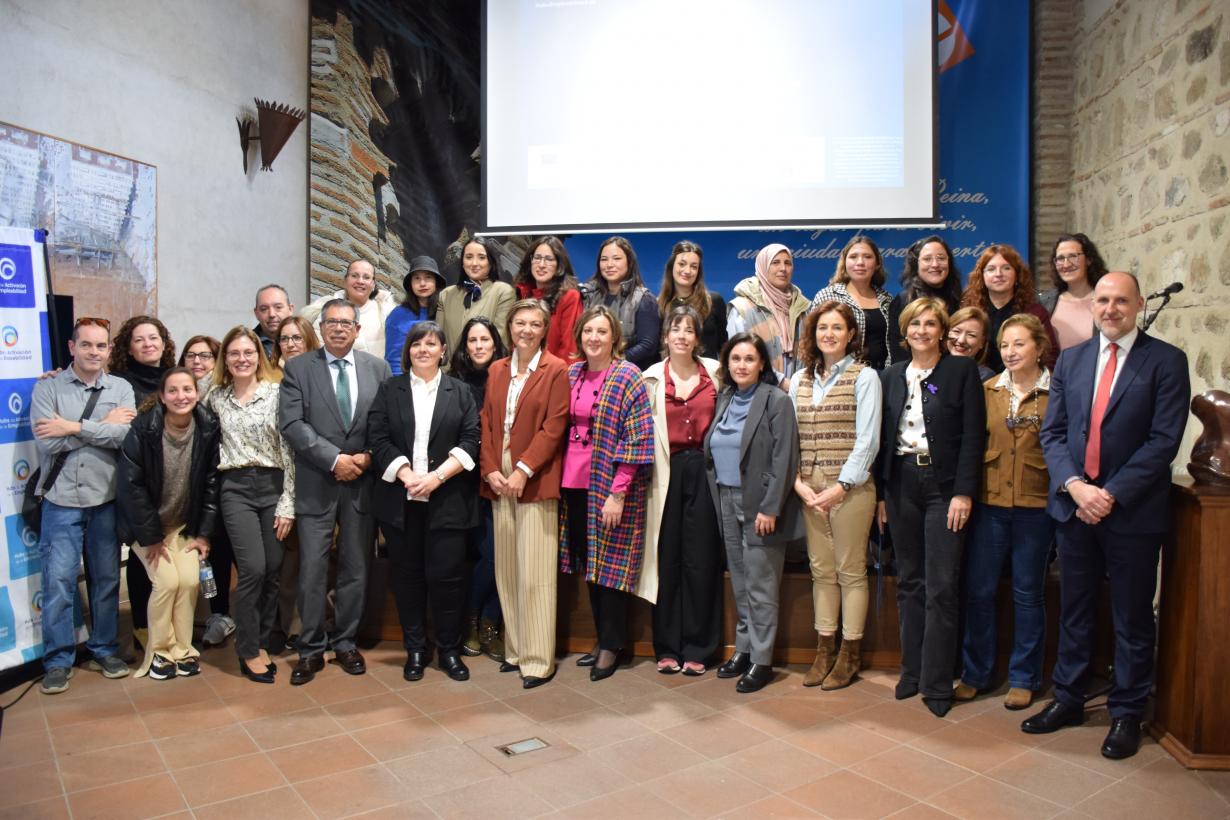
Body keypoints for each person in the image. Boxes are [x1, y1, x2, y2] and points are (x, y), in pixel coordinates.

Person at [1023, 272, 1190, 760]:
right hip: (1075, 510)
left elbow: (1164, 441)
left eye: (1121, 300)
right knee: (1075, 610)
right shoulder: (1072, 361)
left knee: (1133, 616)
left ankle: (1126, 712)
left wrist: (1110, 493)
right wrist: (1076, 487)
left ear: (1138, 304)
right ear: (1091, 306)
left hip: (1132, 513)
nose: (1111, 308)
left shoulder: (1166, 361)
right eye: (1103, 300)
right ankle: (1070, 699)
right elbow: (1052, 434)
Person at [876, 298, 985, 717]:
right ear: (904, 332)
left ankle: (938, 683)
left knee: (941, 585)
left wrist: (963, 492)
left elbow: (974, 436)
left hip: (944, 488)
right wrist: (882, 495)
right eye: (914, 323)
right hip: (901, 483)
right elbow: (883, 439)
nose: (922, 330)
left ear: (942, 330)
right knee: (910, 582)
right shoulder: (890, 376)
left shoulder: (960, 371)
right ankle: (912, 672)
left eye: (930, 323)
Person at [280, 299, 392, 684]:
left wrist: (367, 457)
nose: (339, 328)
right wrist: (334, 459)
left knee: (355, 568)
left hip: (362, 483)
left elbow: (387, 424)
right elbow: (293, 424)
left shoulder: (377, 368)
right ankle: (310, 649)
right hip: (317, 483)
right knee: (311, 570)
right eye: (332, 322)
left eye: (347, 322)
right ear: (321, 328)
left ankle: (345, 642)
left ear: (358, 330)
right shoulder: (298, 369)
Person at [369, 322, 481, 682]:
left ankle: (448, 650)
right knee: (407, 578)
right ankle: (416, 649)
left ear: (443, 350)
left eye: (431, 344)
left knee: (447, 578)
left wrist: (436, 478)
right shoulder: (390, 389)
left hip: (447, 499)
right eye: (417, 344)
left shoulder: (460, 391)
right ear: (408, 351)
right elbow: (378, 436)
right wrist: (406, 476)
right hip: (401, 501)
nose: (423, 350)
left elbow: (471, 439)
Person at [32, 317, 136, 693]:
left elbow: (124, 436)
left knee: (106, 579)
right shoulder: (49, 388)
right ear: (72, 347)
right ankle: (58, 660)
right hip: (61, 502)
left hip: (105, 500)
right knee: (59, 581)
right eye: (87, 345)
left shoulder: (120, 388)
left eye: (101, 345)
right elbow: (48, 443)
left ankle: (105, 648)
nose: (95, 352)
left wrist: (73, 427)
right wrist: (98, 427)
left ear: (110, 349)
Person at [956, 314, 1054, 711]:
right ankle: (977, 673)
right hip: (991, 505)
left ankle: (1024, 677)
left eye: (1019, 344)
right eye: (1005, 346)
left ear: (1039, 347)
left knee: (1028, 594)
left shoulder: (1058, 391)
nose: (1011, 352)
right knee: (980, 592)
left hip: (1037, 506)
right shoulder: (987, 389)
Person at [559, 306, 655, 681]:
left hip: (610, 487)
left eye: (602, 332)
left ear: (614, 337)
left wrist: (618, 493)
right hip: (573, 484)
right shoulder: (571, 374)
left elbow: (638, 438)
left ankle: (613, 646)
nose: (594, 338)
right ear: (579, 336)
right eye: (588, 332)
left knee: (612, 568)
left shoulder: (627, 375)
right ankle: (601, 639)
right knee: (591, 568)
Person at [705, 333, 804, 693]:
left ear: (763, 363)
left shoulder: (776, 401)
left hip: (761, 506)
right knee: (742, 583)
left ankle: (762, 660)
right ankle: (743, 649)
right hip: (727, 500)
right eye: (735, 359)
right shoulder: (726, 397)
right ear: (727, 364)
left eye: (749, 359)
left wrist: (771, 506)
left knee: (761, 586)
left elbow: (785, 457)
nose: (742, 365)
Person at [479, 299, 570, 689]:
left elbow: (554, 426)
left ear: (544, 329)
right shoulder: (497, 369)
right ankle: (515, 649)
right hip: (500, 478)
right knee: (508, 570)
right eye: (519, 323)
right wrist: (490, 470)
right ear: (509, 327)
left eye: (534, 324)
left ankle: (537, 659)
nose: (526, 330)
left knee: (535, 574)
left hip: (534, 479)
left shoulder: (556, 370)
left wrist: (522, 469)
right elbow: (485, 422)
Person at [792, 301, 882, 690]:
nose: (828, 334)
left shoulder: (865, 377)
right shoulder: (798, 380)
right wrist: (797, 483)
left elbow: (869, 439)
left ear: (850, 335)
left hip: (850, 489)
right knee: (820, 571)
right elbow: (789, 439)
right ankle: (824, 648)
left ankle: (850, 653)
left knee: (850, 570)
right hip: (808, 489)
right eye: (822, 328)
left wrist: (840, 486)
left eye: (837, 328)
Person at [206, 327, 296, 684]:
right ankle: (247, 649)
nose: (242, 359)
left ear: (259, 356)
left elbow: (289, 450)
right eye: (234, 353)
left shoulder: (277, 394)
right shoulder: (213, 397)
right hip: (235, 487)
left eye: (248, 352)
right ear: (225, 360)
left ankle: (260, 641)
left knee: (274, 565)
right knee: (254, 568)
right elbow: (177, 401)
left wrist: (289, 502)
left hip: (273, 485)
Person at [117, 368, 220, 679]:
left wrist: (203, 534)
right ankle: (160, 652)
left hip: (182, 525)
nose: (181, 397)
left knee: (189, 581)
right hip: (145, 528)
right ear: (161, 396)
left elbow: (212, 482)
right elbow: (131, 487)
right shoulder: (143, 429)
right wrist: (150, 538)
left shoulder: (207, 426)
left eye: (187, 389)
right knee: (167, 582)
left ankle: (183, 649)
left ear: (197, 393)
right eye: (173, 391)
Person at [643, 306, 722, 675]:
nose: (682, 336)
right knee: (667, 559)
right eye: (676, 329)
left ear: (697, 337)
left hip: (704, 473)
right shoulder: (651, 378)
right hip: (664, 472)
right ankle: (667, 647)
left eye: (689, 330)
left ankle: (699, 647)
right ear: (665, 335)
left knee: (701, 559)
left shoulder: (717, 373)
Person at [107, 315, 176, 655]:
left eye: (154, 338)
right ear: (128, 348)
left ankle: (172, 626)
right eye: (139, 340)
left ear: (164, 343)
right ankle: (141, 627)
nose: (148, 344)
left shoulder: (175, 379)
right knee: (141, 557)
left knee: (171, 557)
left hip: (175, 483)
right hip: (139, 481)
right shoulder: (117, 384)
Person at [450, 317, 509, 661]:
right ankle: (474, 623)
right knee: (469, 557)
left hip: (496, 481)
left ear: (495, 344)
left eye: (484, 339)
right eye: (471, 340)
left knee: (494, 555)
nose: (478, 346)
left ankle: (485, 622)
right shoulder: (452, 382)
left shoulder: (505, 379)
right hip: (459, 483)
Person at [177, 335, 238, 649]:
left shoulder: (223, 395)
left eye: (204, 356)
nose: (197, 362)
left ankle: (223, 614)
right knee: (203, 555)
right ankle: (210, 614)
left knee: (227, 550)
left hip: (224, 485)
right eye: (190, 355)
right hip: (188, 491)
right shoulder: (176, 393)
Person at [268, 315, 321, 653]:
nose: (290, 344)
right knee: (285, 560)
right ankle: (284, 625)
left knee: (313, 558)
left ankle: (310, 624)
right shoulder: (268, 378)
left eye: (296, 338)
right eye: (284, 339)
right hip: (278, 477)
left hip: (314, 473)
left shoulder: (318, 373)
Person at [960, 245, 1058, 373]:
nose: (999, 274)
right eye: (991, 269)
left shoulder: (1035, 312)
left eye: (1006, 268)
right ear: (982, 276)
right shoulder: (969, 311)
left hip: (1023, 385)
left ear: (1017, 275)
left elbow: (1050, 355)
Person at [727, 243, 811, 382]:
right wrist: (780, 382)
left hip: (797, 394)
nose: (783, 268)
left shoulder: (803, 308)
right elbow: (737, 357)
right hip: (757, 393)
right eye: (775, 262)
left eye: (787, 263)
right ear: (763, 266)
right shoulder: (742, 308)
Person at [811, 236, 895, 369]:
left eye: (867, 257)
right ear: (844, 262)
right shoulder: (827, 296)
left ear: (877, 263)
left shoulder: (887, 300)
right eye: (853, 257)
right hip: (839, 377)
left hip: (883, 377)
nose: (860, 262)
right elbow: (811, 342)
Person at [579, 236, 660, 371]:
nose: (609, 264)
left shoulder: (644, 299)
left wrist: (613, 362)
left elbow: (648, 345)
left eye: (616, 259)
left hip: (629, 375)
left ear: (629, 262)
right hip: (593, 372)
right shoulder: (589, 295)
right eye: (604, 259)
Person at [301, 259, 398, 357]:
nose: (360, 281)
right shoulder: (325, 311)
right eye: (354, 276)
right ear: (345, 281)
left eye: (366, 277)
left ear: (373, 284)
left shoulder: (387, 313)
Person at [888, 236, 964, 356]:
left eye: (941, 258)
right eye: (927, 259)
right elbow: (898, 350)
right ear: (916, 264)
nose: (935, 264)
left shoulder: (960, 300)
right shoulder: (904, 301)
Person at [439, 235, 517, 351]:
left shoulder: (503, 292)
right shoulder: (446, 295)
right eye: (469, 257)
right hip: (451, 368)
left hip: (487, 367)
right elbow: (439, 338)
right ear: (462, 262)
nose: (474, 263)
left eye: (481, 257)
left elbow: (501, 341)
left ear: (491, 262)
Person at [514, 236, 583, 361]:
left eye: (549, 259)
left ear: (559, 264)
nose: (541, 265)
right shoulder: (520, 293)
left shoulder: (569, 297)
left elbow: (570, 348)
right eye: (537, 258)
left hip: (552, 375)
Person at [656, 240, 727, 358]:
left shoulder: (714, 301)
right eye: (682, 264)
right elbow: (657, 351)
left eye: (694, 266)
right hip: (672, 374)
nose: (687, 271)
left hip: (708, 374)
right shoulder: (659, 305)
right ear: (671, 266)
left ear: (699, 272)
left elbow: (724, 347)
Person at [1038, 233, 1107, 352]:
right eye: (1060, 258)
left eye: (1073, 256)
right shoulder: (1045, 302)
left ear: (1089, 259)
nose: (1066, 264)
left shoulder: (1106, 300)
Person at [385, 255, 445, 376]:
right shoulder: (398, 315)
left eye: (428, 278)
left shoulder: (446, 311)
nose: (422, 283)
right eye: (417, 278)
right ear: (411, 284)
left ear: (436, 282)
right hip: (408, 381)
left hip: (443, 380)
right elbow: (394, 358)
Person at [946, 307, 997, 382]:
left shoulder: (984, 377)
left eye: (971, 335)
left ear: (982, 342)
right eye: (956, 331)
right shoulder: (934, 366)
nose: (961, 340)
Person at [253, 284, 296, 360]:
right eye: (264, 309)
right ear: (256, 313)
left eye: (278, 307)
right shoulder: (247, 344)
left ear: (290, 309)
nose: (271, 314)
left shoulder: (307, 341)